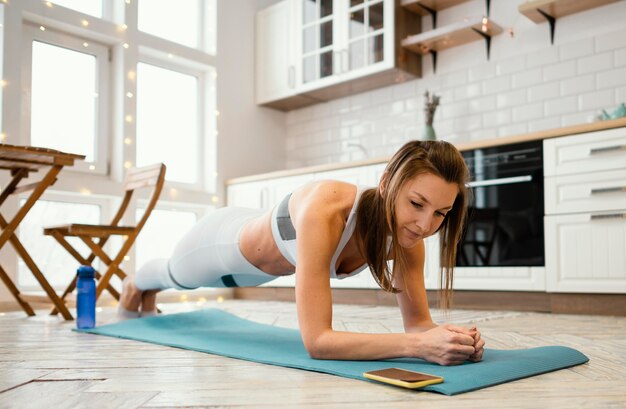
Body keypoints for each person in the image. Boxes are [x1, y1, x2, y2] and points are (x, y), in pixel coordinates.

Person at [119, 140, 485, 365]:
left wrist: (453, 339)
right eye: (417, 203)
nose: (424, 225)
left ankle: (144, 295)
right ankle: (134, 285)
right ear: (388, 181)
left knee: (174, 280)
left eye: (440, 213)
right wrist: (419, 346)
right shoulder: (327, 208)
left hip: (260, 266)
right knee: (174, 275)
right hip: (218, 245)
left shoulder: (408, 241)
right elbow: (318, 342)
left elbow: (419, 326)